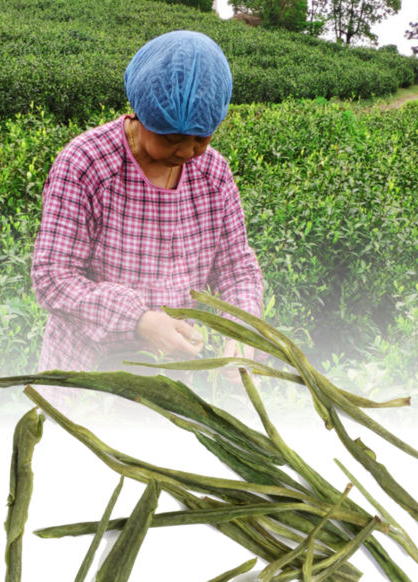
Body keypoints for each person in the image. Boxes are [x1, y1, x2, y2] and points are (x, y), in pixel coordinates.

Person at [31, 30, 263, 377]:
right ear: (140, 113)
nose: (187, 152)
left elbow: (237, 269)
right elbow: (53, 276)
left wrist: (241, 332)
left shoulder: (213, 174)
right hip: (87, 372)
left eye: (201, 138)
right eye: (171, 138)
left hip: (173, 377)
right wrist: (138, 320)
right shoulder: (86, 164)